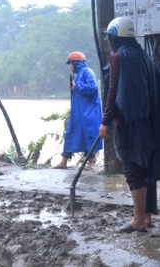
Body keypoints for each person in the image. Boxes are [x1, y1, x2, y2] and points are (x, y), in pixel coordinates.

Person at [99, 17, 160, 233]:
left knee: (133, 168)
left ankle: (138, 220)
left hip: (129, 121)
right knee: (147, 167)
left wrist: (105, 121)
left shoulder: (119, 57)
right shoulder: (144, 56)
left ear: (116, 37)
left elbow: (113, 92)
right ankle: (147, 215)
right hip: (149, 122)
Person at [54, 51, 103, 169]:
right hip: (78, 113)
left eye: (71, 64)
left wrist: (76, 86)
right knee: (70, 133)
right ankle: (63, 161)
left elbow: (92, 87)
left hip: (89, 112)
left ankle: (91, 162)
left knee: (89, 135)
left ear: (76, 63)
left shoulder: (87, 72)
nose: (70, 67)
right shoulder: (78, 75)